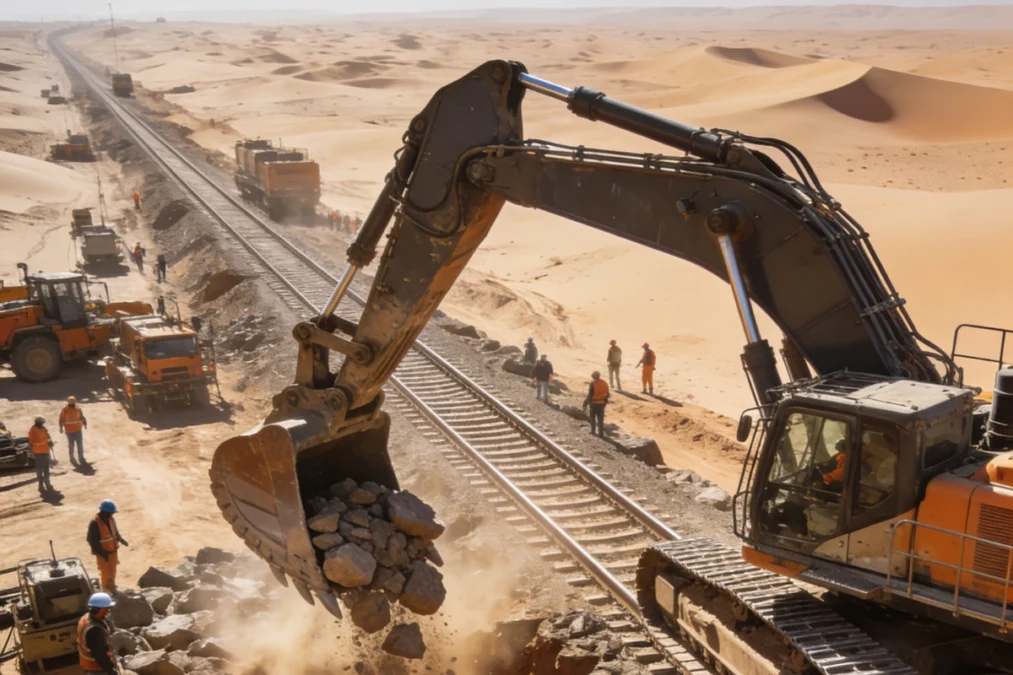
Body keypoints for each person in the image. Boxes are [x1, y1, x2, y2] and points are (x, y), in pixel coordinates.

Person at [87, 500, 129, 592]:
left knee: (113, 571)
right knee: (105, 573)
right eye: (111, 513)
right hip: (103, 553)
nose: (112, 514)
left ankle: (112, 587)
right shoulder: (95, 523)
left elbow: (115, 532)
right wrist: (102, 553)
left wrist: (121, 539)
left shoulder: (111, 519)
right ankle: (106, 590)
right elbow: (91, 541)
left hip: (113, 550)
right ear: (104, 512)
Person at [77, 592, 118, 674]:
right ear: (101, 609)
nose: (108, 610)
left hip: (88, 666)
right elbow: (100, 655)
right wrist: (111, 670)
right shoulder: (95, 630)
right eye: (107, 608)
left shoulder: (85, 618)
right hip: (97, 668)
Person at [28, 416, 54, 495]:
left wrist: (50, 442)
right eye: (41, 423)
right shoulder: (32, 430)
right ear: (37, 422)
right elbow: (31, 442)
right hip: (38, 452)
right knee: (39, 469)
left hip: (45, 451)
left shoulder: (43, 428)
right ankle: (41, 485)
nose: (42, 424)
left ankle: (47, 483)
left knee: (46, 468)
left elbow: (47, 436)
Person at [59, 396, 88, 465]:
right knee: (71, 445)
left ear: (75, 401)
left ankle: (81, 457)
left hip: (78, 429)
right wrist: (61, 428)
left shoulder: (78, 409)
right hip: (69, 431)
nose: (71, 402)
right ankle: (72, 458)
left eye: (73, 401)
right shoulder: (64, 410)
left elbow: (82, 417)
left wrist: (85, 424)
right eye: (70, 401)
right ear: (68, 401)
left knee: (80, 445)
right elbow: (61, 419)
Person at [582, 370, 610, 438]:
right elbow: (608, 394)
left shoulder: (593, 384)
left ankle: (593, 431)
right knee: (600, 419)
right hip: (602, 404)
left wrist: (585, 403)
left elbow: (589, 396)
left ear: (593, 377)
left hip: (594, 403)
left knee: (592, 418)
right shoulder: (604, 383)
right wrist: (604, 403)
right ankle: (601, 433)